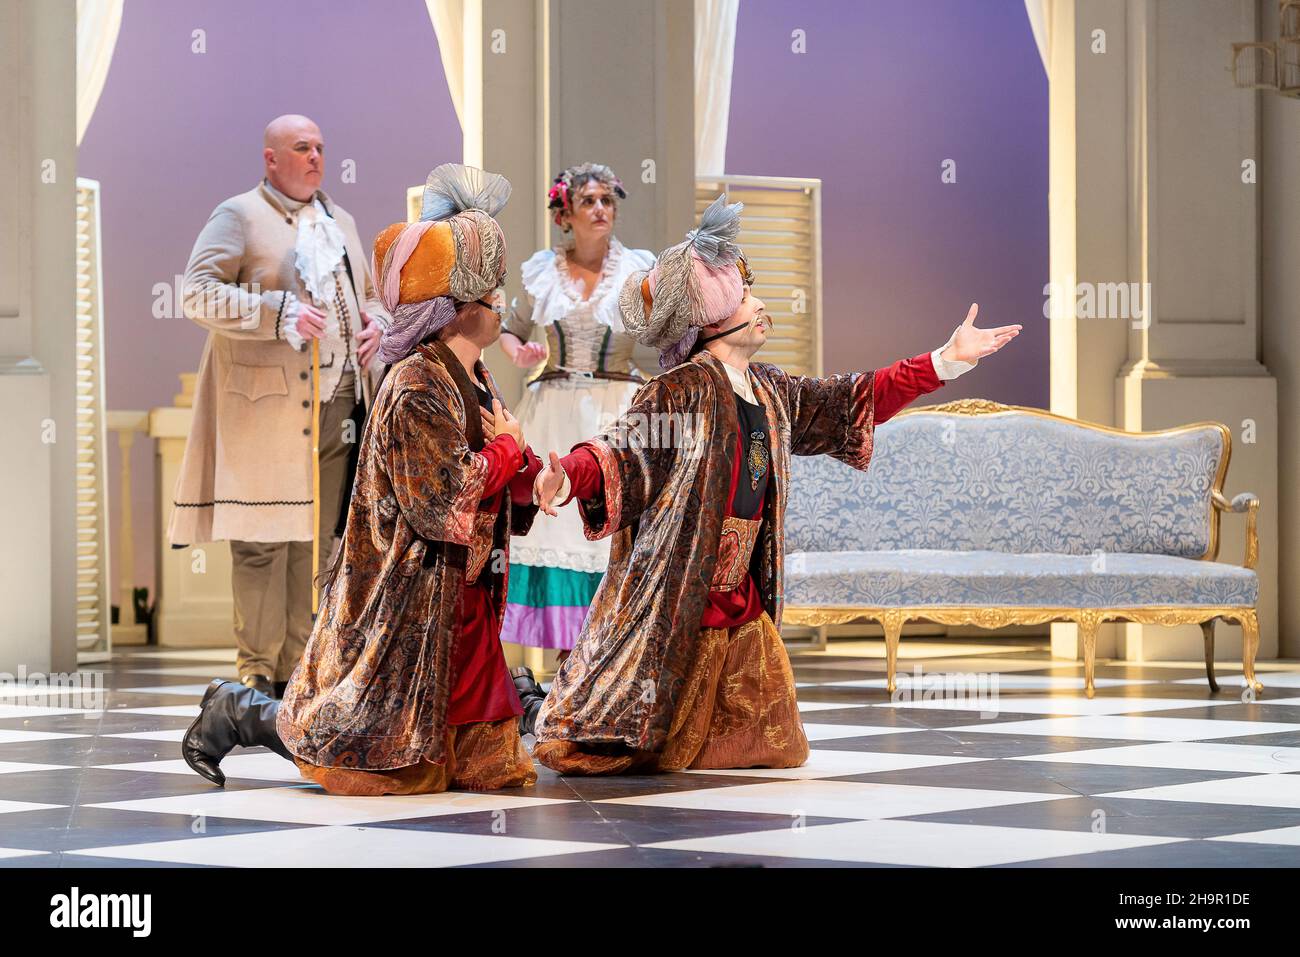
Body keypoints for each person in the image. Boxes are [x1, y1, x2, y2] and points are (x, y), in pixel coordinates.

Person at [520, 196, 1021, 774]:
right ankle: (540, 709)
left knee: (774, 749)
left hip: (742, 599)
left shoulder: (770, 389)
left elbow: (849, 399)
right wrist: (567, 475)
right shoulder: (679, 390)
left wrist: (942, 362)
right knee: (617, 742)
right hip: (681, 597)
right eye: (745, 296)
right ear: (711, 317)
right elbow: (619, 451)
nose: (761, 306)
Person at [183, 165, 545, 795]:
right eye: (490, 299)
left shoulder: (474, 371)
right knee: (359, 739)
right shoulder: (415, 384)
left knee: (479, 767)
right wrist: (511, 456)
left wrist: (535, 474)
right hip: (407, 589)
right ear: (454, 311)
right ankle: (239, 710)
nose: (501, 309)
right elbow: (444, 499)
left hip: (460, 588)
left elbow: (499, 445)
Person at [168, 114, 390, 699]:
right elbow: (196, 292)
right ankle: (255, 676)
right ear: (271, 159)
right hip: (264, 406)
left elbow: (368, 296)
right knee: (263, 539)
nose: (316, 157)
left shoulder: (340, 220)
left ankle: (302, 667)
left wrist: (379, 325)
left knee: (316, 538)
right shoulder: (239, 214)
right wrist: (275, 312)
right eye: (301, 147)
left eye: (320, 146)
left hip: (340, 401)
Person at [497, 164, 655, 657]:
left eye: (608, 200)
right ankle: (559, 666)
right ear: (566, 213)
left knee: (608, 528)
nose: (602, 209)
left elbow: (666, 330)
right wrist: (516, 351)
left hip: (617, 406)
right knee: (556, 524)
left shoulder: (637, 270)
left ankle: (607, 663)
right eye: (589, 201)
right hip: (555, 407)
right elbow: (511, 328)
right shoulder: (544, 269)